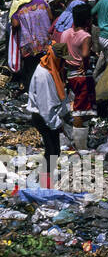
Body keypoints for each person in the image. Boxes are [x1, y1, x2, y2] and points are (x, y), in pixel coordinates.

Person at [27, 42, 72, 188]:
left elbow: (59, 97)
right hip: (43, 117)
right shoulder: (43, 74)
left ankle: (46, 180)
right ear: (56, 57)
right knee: (51, 150)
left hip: (50, 116)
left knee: (55, 150)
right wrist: (57, 124)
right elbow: (45, 105)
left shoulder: (53, 70)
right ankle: (44, 183)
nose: (65, 63)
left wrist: (63, 118)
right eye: (63, 59)